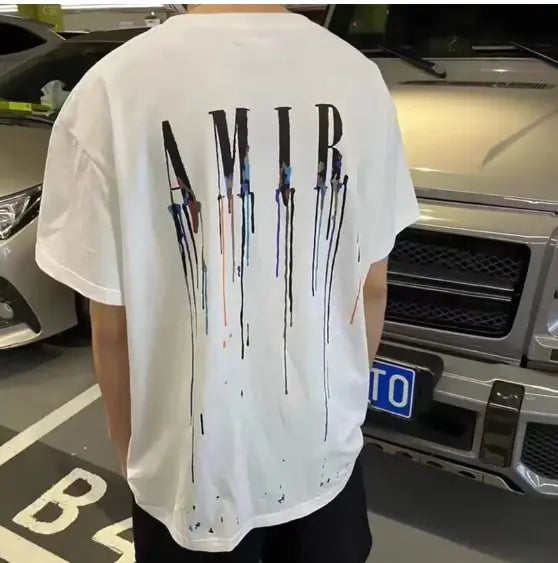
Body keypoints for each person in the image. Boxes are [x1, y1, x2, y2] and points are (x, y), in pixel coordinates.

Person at [36, 4, 419, 562]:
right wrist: (338, 410)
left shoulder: (111, 90)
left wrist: (134, 455)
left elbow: (111, 327)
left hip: (192, 470)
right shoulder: (358, 78)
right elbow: (372, 287)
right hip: (321, 449)